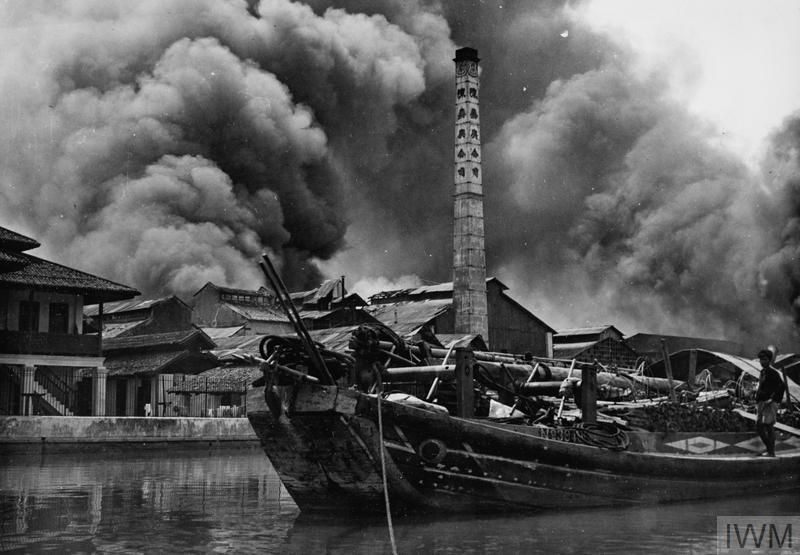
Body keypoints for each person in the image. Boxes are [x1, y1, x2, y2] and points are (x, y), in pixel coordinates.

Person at [755, 349, 786, 457]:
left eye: (764, 359)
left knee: (768, 426)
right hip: (761, 402)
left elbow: (781, 386)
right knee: (758, 426)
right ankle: (769, 449)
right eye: (760, 359)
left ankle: (771, 452)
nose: (762, 362)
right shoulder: (762, 372)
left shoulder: (773, 372)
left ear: (769, 360)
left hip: (769, 403)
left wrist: (772, 399)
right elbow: (761, 386)